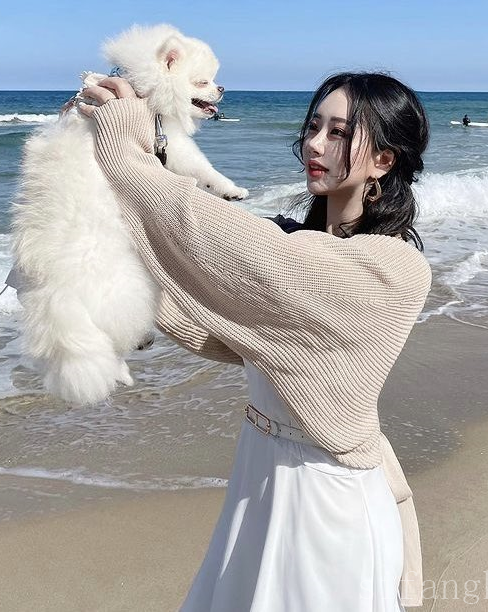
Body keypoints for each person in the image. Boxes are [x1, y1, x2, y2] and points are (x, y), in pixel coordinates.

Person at [78, 71, 432, 611]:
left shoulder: (393, 269)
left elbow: (244, 249)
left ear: (384, 160)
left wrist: (129, 154)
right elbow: (221, 327)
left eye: (339, 132)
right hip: (259, 474)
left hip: (326, 499)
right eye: (313, 126)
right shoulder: (301, 242)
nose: (314, 143)